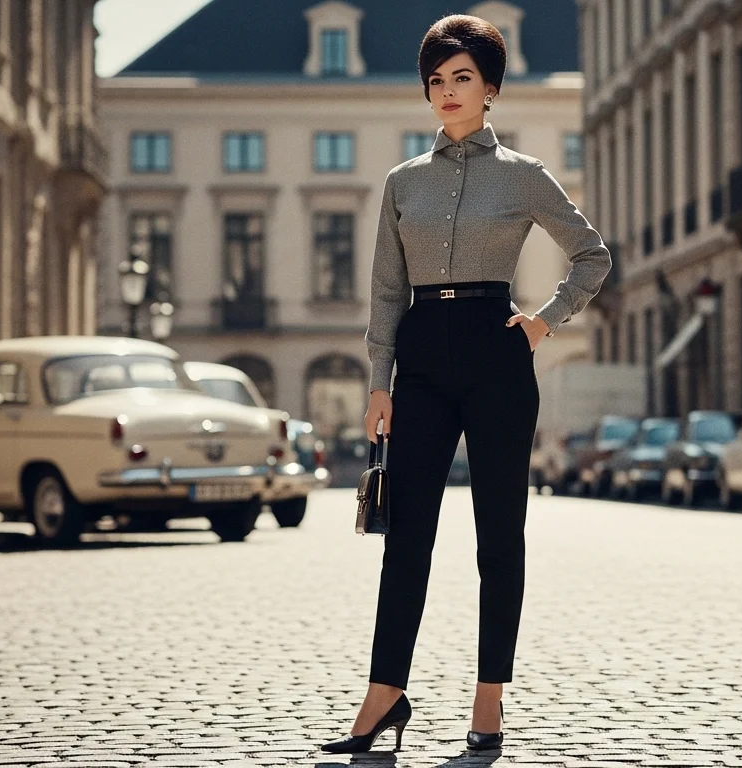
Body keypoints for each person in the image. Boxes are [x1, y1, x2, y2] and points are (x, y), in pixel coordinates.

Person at [319, 13, 611, 755]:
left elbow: (591, 255)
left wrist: (545, 321)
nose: (447, 93)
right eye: (436, 81)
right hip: (419, 355)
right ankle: (384, 693)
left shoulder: (523, 176)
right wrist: (379, 380)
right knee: (406, 535)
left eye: (462, 79)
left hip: (495, 354)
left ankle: (490, 698)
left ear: (490, 89)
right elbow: (386, 290)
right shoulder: (402, 183)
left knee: (498, 536)